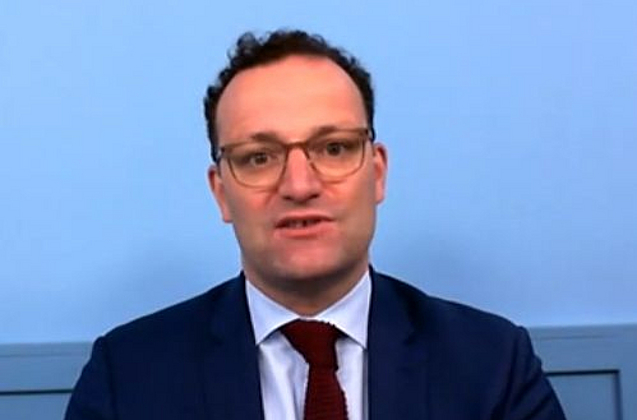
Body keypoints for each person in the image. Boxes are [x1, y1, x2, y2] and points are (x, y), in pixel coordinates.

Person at [65, 29, 566, 420]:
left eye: (333, 148)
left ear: (377, 173)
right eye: (259, 157)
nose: (299, 185)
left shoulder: (492, 364)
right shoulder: (128, 375)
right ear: (221, 192)